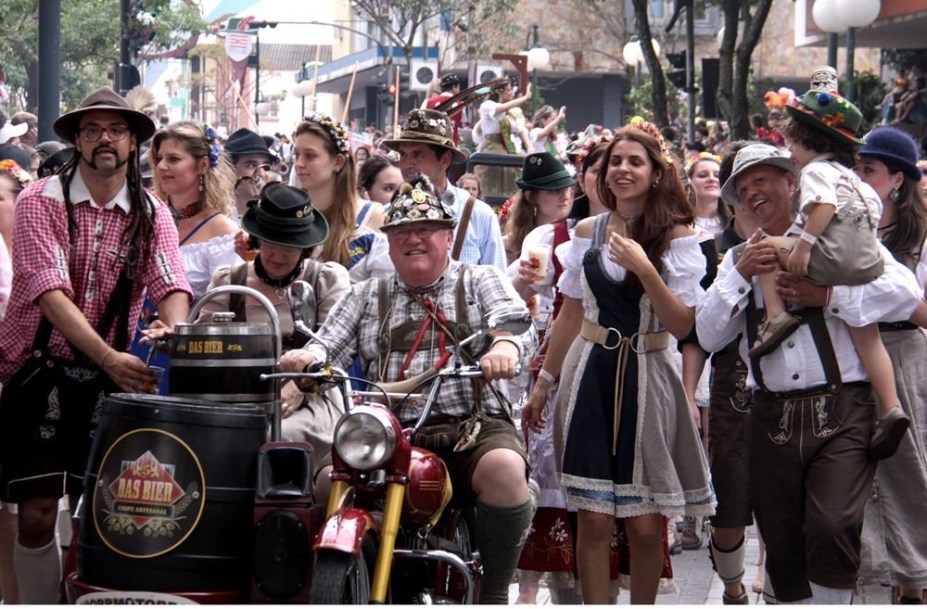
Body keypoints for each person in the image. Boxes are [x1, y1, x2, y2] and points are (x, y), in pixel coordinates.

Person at [280, 176, 538, 605]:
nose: (413, 239)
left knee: (505, 471)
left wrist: (506, 347)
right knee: (326, 482)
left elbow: (513, 320)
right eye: (401, 232)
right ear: (389, 242)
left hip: (468, 427)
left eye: (425, 230)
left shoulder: (479, 279)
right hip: (384, 432)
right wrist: (304, 360)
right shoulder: (367, 293)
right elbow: (327, 343)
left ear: (447, 235)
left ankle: (493, 595)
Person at [697, 143, 922, 604]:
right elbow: (707, 333)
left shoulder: (842, 239)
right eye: (742, 189)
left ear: (790, 182)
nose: (752, 193)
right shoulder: (741, 257)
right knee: (782, 540)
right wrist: (740, 276)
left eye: (761, 180)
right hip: (771, 416)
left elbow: (902, 293)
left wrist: (829, 295)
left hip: (843, 408)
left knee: (833, 525)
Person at [0, 86, 192, 604]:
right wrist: (109, 356)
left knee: (109, 511)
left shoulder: (152, 212)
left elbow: (171, 279)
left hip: (111, 375)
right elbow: (49, 291)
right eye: (91, 130)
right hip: (38, 367)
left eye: (116, 129)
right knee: (37, 512)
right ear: (78, 141)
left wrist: (172, 328)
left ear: (133, 142)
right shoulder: (41, 200)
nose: (104, 139)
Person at [522, 121, 715, 604]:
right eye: (616, 162)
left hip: (649, 376)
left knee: (646, 524)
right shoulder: (588, 231)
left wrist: (645, 267)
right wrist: (546, 381)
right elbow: (571, 310)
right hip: (590, 375)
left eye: (635, 162)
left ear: (656, 174)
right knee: (592, 517)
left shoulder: (680, 236)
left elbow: (682, 323)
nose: (623, 170)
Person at [748, 76, 909, 460]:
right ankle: (890, 408)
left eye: (791, 140)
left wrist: (803, 246)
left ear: (806, 138)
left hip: (830, 256)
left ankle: (774, 318)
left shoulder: (817, 172)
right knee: (867, 336)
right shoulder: (854, 179)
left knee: (766, 247)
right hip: (865, 263)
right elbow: (867, 216)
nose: (789, 148)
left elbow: (823, 209)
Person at [201, 183, 349, 457]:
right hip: (240, 398)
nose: (278, 256)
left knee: (274, 436)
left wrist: (301, 383)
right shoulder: (229, 281)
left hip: (312, 397)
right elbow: (206, 347)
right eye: (271, 243)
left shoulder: (326, 280)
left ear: (305, 246)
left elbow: (337, 347)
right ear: (257, 239)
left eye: (289, 247)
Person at [854, 126, 927, 605]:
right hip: (854, 358)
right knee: (862, 481)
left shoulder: (920, 236)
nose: (858, 178)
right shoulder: (847, 224)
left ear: (897, 179)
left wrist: (879, 290)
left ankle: (914, 581)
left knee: (912, 473)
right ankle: (887, 579)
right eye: (855, 169)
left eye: (869, 170)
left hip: (905, 357)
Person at [384, 108, 506, 270]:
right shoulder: (387, 214)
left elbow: (498, 281)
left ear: (445, 159)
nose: (407, 164)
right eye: (403, 155)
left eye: (418, 155)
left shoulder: (478, 214)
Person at [291, 113, 391, 282]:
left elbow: (386, 291)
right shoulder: (292, 217)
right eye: (297, 155)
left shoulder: (373, 217)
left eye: (310, 155)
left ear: (338, 162)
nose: (299, 163)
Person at [150, 121, 242, 300]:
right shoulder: (149, 217)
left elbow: (227, 305)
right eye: (159, 158)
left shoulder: (222, 232)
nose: (161, 166)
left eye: (173, 159)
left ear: (203, 165)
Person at [502, 152, 575, 265]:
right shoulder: (507, 245)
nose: (565, 197)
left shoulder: (576, 236)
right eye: (554, 190)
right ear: (530, 197)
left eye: (566, 189)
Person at [476, 79, 533, 199]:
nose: (512, 92)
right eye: (509, 89)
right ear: (500, 91)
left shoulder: (511, 113)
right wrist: (525, 98)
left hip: (507, 149)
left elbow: (520, 129)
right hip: (491, 148)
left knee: (511, 177)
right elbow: (500, 109)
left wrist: (529, 146)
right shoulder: (487, 105)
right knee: (493, 180)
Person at [225, 127, 279, 218]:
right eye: (251, 165)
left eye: (265, 165)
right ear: (230, 169)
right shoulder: (217, 216)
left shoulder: (275, 215)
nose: (261, 173)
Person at [425, 74, 463, 144]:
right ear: (454, 87)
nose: (459, 90)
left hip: (432, 144)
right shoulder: (461, 104)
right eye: (458, 87)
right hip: (451, 145)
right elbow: (462, 123)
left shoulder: (428, 102)